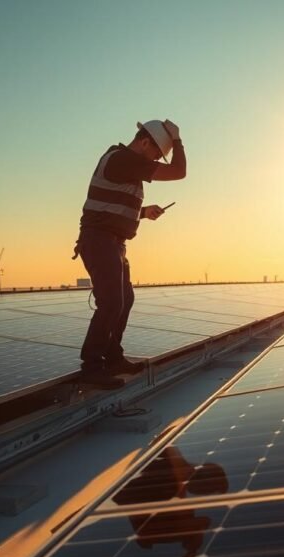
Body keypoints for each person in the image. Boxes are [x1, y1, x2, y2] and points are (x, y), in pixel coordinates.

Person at [74, 120, 187, 389]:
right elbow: (179, 172)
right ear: (145, 142)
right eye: (157, 155)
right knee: (112, 302)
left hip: (111, 242)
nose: (156, 161)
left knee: (124, 299)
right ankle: (91, 366)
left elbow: (112, 204)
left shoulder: (125, 163)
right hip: (100, 241)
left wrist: (144, 212)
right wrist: (178, 140)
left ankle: (113, 357)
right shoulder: (123, 159)